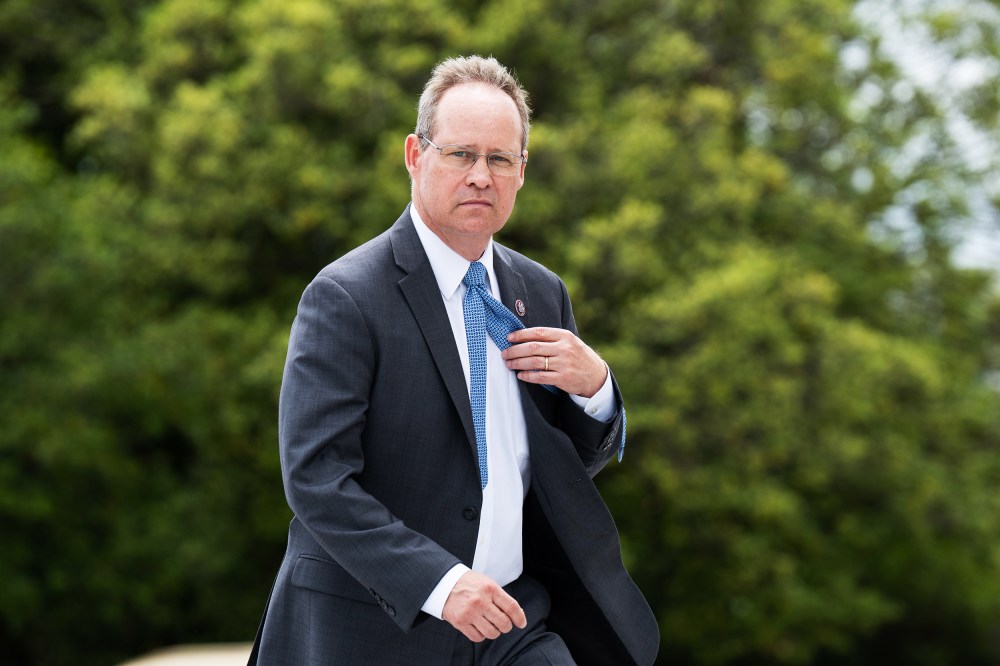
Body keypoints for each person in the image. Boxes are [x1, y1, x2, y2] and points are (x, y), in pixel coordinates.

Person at [249, 55, 658, 665]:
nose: (481, 177)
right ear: (415, 155)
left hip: (511, 622)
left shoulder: (541, 292)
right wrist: (441, 585)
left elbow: (560, 472)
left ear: (522, 172)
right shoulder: (345, 297)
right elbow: (316, 479)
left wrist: (595, 390)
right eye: (461, 154)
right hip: (373, 628)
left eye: (500, 160)